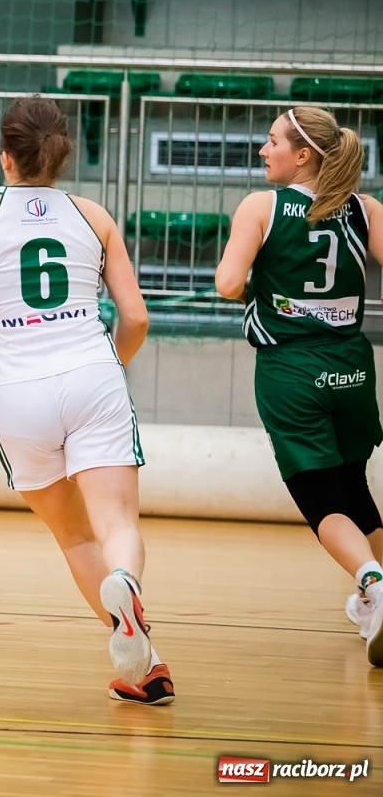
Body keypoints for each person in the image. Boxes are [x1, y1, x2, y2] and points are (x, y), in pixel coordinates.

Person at [0, 96, 166, 705]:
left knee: (76, 539)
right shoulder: (95, 216)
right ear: (61, 157)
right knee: (115, 528)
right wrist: (108, 365)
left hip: (17, 391)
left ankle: (144, 666)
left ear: (4, 156)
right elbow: (135, 317)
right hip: (92, 375)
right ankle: (127, 586)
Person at [215, 105, 383, 666]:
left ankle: (374, 585)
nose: (263, 151)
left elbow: (227, 283)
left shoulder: (262, 206)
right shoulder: (364, 208)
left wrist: (267, 290)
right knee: (355, 491)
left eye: (271, 142)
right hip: (354, 368)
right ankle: (376, 594)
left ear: (302, 153)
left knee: (321, 502)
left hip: (293, 369)